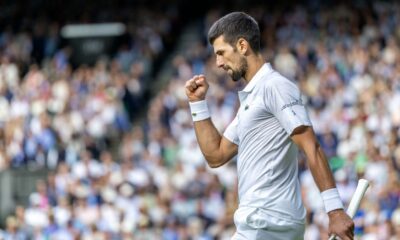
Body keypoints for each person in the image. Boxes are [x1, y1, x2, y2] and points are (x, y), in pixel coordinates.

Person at [185, 12, 354, 240]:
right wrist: (198, 105)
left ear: (242, 46)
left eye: (221, 53)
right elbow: (216, 155)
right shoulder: (252, 100)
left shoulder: (275, 86)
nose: (219, 63)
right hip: (269, 223)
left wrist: (335, 211)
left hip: (265, 221)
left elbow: (311, 147)